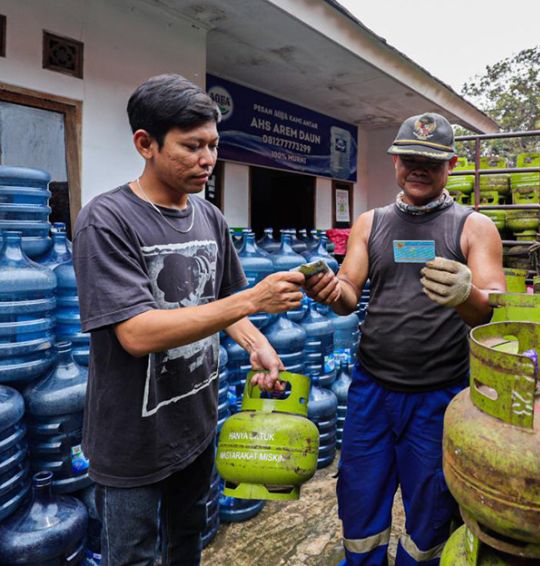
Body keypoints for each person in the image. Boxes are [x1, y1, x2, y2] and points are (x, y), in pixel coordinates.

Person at [73, 74, 304, 565]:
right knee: (133, 557)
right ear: (145, 144)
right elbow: (135, 334)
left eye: (214, 145)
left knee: (187, 545)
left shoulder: (210, 217)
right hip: (132, 442)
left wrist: (254, 342)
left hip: (196, 426)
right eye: (192, 146)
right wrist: (252, 303)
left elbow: (221, 299)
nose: (207, 159)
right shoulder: (107, 220)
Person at [305, 112, 505, 565]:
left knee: (432, 505)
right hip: (372, 390)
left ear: (451, 165)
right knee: (360, 493)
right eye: (410, 158)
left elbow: (495, 305)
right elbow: (349, 292)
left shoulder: (474, 227)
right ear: (395, 161)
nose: (419, 168)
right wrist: (331, 291)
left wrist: (465, 294)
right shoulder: (370, 223)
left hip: (439, 395)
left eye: (431, 162)